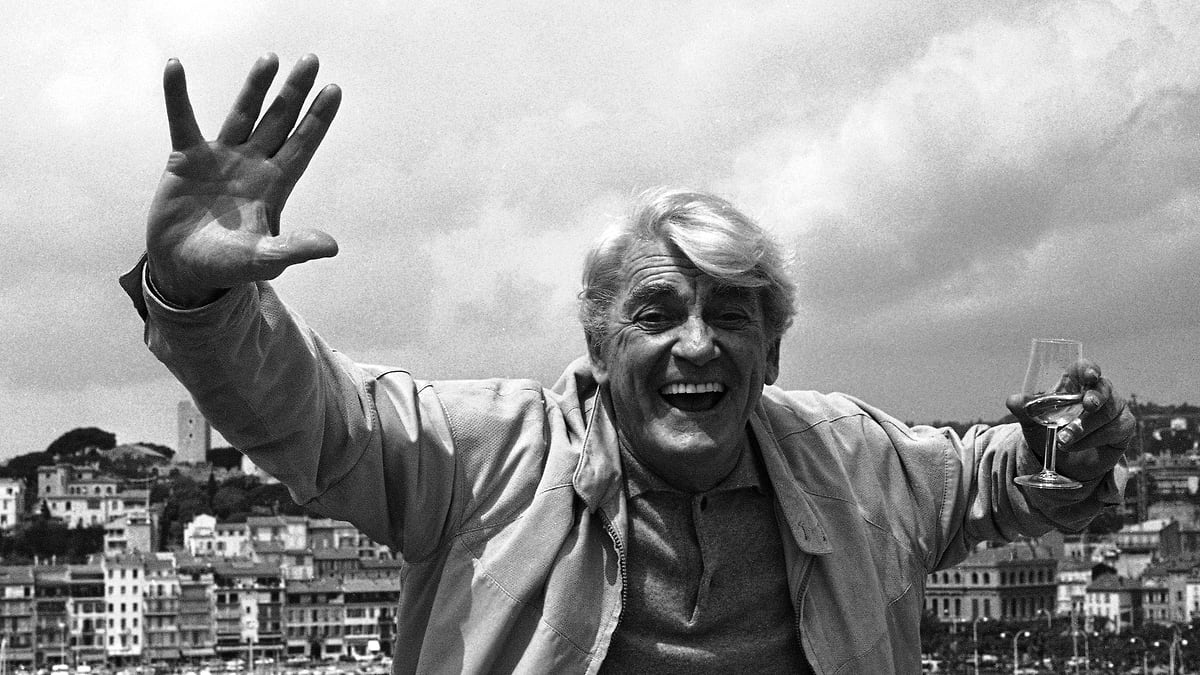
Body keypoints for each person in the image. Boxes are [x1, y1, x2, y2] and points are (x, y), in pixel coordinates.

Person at [123, 54, 1134, 674]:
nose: (698, 343)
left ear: (773, 349)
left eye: (731, 314)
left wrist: (1074, 453)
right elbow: (312, 414)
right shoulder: (485, 456)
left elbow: (990, 478)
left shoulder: (855, 463)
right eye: (658, 313)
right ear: (600, 347)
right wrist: (197, 295)